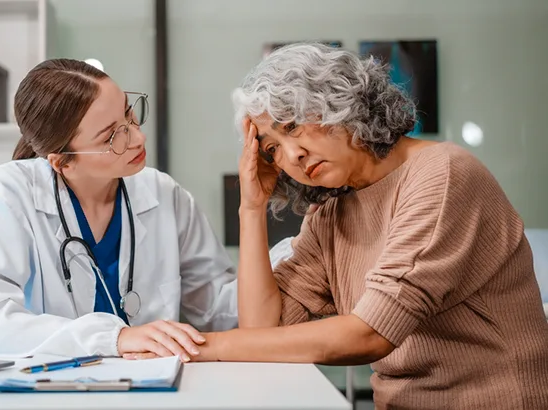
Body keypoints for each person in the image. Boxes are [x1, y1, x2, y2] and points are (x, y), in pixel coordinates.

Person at [190, 43, 548, 408]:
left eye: (292, 125)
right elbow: (262, 335)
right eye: (272, 150)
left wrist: (210, 346)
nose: (292, 155)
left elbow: (371, 333)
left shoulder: (443, 174)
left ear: (337, 99)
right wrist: (251, 209)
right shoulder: (331, 215)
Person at [0, 58, 255, 362]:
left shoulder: (164, 195)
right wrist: (114, 338)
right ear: (62, 162)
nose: (138, 137)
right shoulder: (6, 193)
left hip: (151, 387)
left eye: (129, 113)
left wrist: (291, 254)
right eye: (112, 137)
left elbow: (217, 308)